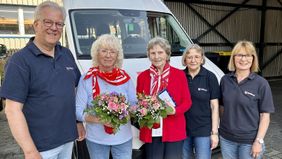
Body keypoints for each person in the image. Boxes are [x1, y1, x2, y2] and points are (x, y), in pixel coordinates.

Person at [0, 1, 84, 159]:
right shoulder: (20, 61)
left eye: (59, 24)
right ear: (36, 25)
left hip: (68, 139)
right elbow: (12, 110)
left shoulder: (66, 54)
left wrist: (78, 122)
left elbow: (74, 92)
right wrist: (30, 151)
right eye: (48, 22)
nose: (54, 27)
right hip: (41, 147)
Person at [75, 34, 137, 159]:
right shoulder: (87, 79)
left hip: (123, 139)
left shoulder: (125, 78)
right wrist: (102, 120)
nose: (108, 55)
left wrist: (128, 112)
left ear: (117, 55)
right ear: (97, 54)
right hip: (96, 140)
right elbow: (78, 112)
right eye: (104, 51)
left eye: (112, 51)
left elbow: (133, 104)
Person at [136, 36, 192, 159]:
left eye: (160, 52)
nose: (157, 56)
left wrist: (175, 110)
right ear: (149, 55)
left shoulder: (179, 75)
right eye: (153, 53)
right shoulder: (143, 77)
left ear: (167, 54)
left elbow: (187, 102)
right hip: (151, 131)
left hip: (173, 129)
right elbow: (139, 101)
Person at [219, 40, 275, 159]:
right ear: (233, 58)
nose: (243, 59)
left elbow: (265, 116)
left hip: (249, 141)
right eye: (239, 55)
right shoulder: (225, 80)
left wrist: (258, 141)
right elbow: (222, 107)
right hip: (226, 139)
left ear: (253, 58)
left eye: (248, 55)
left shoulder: (261, 84)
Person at [181, 44, 220, 159]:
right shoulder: (179, 76)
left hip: (203, 129)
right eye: (189, 57)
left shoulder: (210, 77)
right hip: (183, 128)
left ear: (202, 59)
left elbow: (214, 106)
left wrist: (214, 133)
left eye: (197, 57)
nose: (193, 60)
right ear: (185, 60)